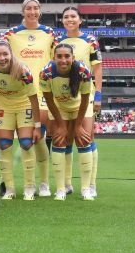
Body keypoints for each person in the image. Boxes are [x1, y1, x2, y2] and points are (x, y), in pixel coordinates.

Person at [2, 0, 55, 197]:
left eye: (35, 8)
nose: (32, 11)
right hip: (20, 91)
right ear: (22, 11)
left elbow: (55, 59)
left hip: (42, 90)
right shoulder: (11, 34)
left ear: (40, 11)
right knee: (20, 140)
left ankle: (43, 183)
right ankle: (13, 184)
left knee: (39, 136)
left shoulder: (49, 33)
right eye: (28, 8)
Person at [0, 41, 40, 200]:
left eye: (5, 54)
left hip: (24, 106)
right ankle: (9, 189)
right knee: (4, 145)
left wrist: (38, 125)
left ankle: (29, 187)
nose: (2, 58)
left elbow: (34, 98)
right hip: (3, 108)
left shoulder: (22, 70)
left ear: (11, 54)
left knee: (26, 143)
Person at [57, 7, 103, 197]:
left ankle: (91, 184)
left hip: (86, 94)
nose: (70, 19)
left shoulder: (90, 40)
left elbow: (98, 70)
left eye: (73, 16)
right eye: (66, 16)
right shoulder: (58, 41)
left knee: (86, 137)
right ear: (62, 21)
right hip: (64, 96)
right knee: (66, 138)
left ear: (80, 20)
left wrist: (98, 95)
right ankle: (67, 184)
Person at [40, 43, 94, 201]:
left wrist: (77, 126)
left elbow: (84, 100)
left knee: (83, 140)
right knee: (59, 139)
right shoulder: (46, 73)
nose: (63, 60)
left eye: (67, 56)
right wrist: (62, 125)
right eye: (59, 56)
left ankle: (86, 189)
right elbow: (49, 101)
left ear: (73, 58)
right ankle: (61, 189)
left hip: (80, 107)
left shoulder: (83, 72)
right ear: (54, 57)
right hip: (59, 107)